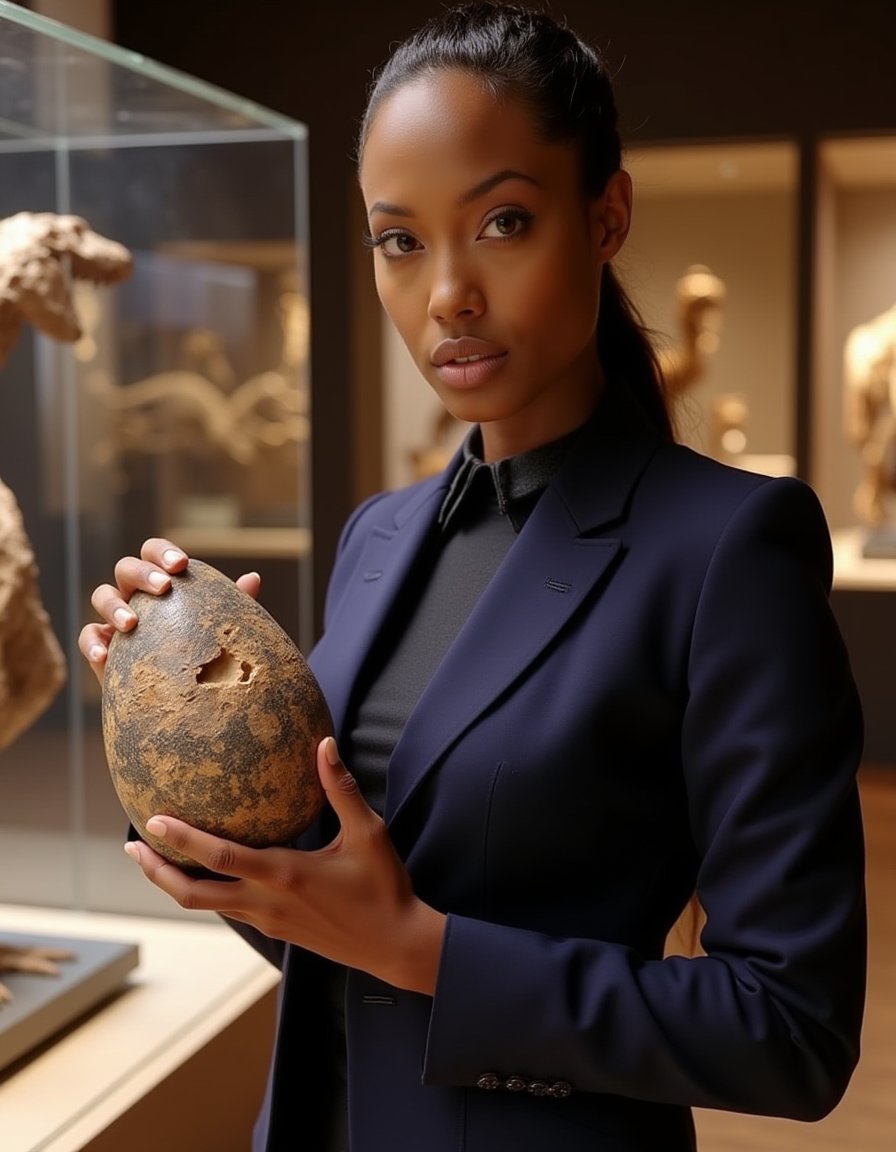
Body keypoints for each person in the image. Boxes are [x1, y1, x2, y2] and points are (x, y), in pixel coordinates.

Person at [79, 4, 866, 1150]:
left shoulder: (729, 549)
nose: (445, 292)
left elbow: (790, 1031)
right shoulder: (377, 539)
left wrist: (417, 946)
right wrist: (203, 788)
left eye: (500, 221)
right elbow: (328, 937)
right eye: (398, 240)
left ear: (605, 216)